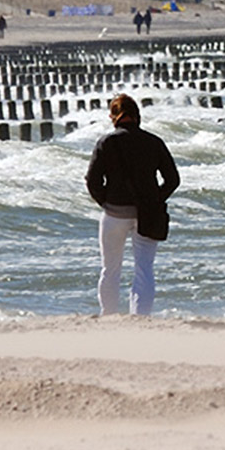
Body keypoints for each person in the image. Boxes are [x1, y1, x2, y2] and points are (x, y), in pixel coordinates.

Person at [84, 93, 181, 316]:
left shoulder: (106, 142)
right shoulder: (153, 142)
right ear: (137, 116)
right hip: (146, 214)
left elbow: (92, 181)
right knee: (144, 269)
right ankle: (140, 318)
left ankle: (108, 315)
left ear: (113, 116)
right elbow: (172, 179)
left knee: (110, 269)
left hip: (114, 215)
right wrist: (155, 200)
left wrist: (106, 202)